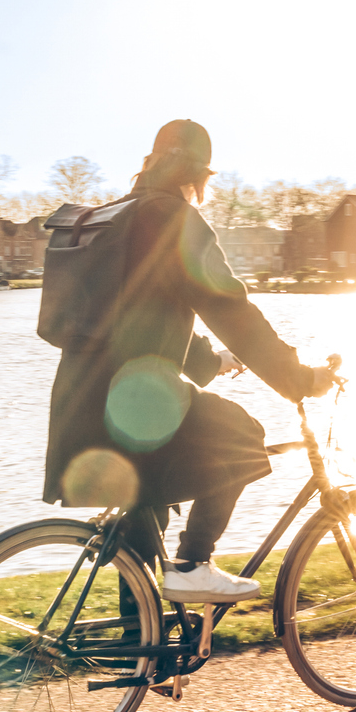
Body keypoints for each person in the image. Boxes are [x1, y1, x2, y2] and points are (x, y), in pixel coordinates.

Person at [43, 119, 338, 603]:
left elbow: (142, 310)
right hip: (137, 402)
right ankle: (194, 563)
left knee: (145, 520)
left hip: (83, 401)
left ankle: (142, 646)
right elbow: (231, 310)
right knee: (241, 436)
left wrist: (209, 360)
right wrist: (301, 379)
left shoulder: (119, 215)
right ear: (199, 173)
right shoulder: (172, 218)